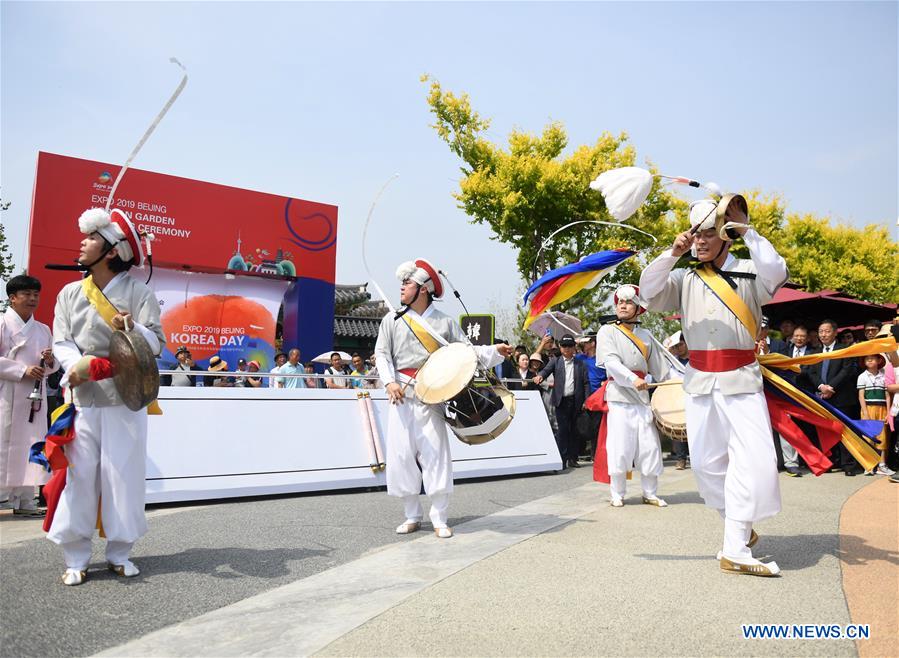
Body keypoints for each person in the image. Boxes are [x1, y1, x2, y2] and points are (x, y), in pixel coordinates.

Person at [639, 197, 788, 577]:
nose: (700, 241)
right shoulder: (685, 277)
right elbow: (647, 291)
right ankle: (738, 527)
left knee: (753, 461)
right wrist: (672, 253)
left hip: (741, 380)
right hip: (700, 383)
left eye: (708, 233)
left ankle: (735, 546)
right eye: (696, 234)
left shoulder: (752, 272)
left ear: (725, 236)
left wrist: (747, 229)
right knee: (707, 467)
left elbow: (777, 270)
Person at [49, 207, 165, 585]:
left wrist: (132, 327)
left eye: (91, 238)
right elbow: (61, 341)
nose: (82, 243)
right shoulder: (69, 293)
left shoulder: (138, 292)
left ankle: (120, 552)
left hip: (125, 398)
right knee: (80, 476)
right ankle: (76, 555)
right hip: (82, 395)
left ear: (112, 250)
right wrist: (78, 365)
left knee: (123, 476)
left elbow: (157, 343)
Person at [374, 258, 510, 539]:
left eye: (407, 283)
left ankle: (439, 516)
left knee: (435, 455)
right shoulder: (391, 319)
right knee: (401, 455)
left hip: (432, 397)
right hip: (401, 395)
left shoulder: (444, 322)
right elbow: (382, 354)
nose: (401, 287)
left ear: (423, 288)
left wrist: (495, 351)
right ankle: (411, 514)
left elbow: (467, 353)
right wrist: (389, 382)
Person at [596, 285, 670, 507]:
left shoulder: (646, 335)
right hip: (620, 395)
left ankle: (650, 492)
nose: (623, 305)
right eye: (620, 302)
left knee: (649, 445)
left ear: (638, 308)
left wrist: (677, 383)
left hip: (643, 397)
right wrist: (631, 379)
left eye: (628, 302)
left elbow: (661, 369)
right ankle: (617, 493)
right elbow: (610, 362)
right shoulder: (607, 331)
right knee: (621, 445)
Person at [0, 275, 58, 516]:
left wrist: (49, 360)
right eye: (27, 294)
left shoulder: (43, 329)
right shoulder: (2, 324)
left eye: (36, 294)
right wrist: (22, 370)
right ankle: (3, 496)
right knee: (4, 441)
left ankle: (26, 499)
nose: (33, 298)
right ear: (12, 298)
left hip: (35, 396)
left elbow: (53, 366)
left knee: (32, 443)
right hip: (7, 391)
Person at [805, 319, 861, 475]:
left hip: (841, 396)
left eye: (827, 331)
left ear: (835, 332)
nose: (823, 334)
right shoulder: (814, 351)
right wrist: (821, 387)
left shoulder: (844, 349)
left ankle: (849, 465)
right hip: (822, 397)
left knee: (846, 431)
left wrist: (831, 387)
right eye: (821, 331)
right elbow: (811, 372)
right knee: (826, 432)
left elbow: (846, 370)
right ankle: (831, 462)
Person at [533, 334, 591, 469]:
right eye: (564, 346)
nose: (567, 349)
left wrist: (586, 400)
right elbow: (546, 371)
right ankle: (562, 459)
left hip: (576, 401)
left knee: (574, 431)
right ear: (560, 347)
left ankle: (573, 458)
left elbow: (586, 383)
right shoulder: (555, 361)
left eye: (569, 346)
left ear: (574, 347)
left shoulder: (580, 364)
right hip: (561, 401)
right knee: (562, 430)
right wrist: (540, 376)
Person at [857, 354, 894, 476]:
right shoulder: (862, 376)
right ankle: (868, 465)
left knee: (882, 437)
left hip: (882, 409)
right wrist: (865, 413)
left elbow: (887, 395)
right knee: (868, 437)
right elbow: (861, 396)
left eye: (873, 358)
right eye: (867, 359)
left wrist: (888, 412)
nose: (870, 360)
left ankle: (882, 465)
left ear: (879, 360)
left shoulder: (884, 375)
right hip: (868, 408)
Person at [575, 332, 606, 461]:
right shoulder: (580, 358)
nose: (584, 344)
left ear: (593, 343)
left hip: (599, 396)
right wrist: (576, 342)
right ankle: (581, 451)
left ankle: (596, 454)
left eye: (587, 342)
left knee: (598, 426)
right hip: (584, 397)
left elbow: (609, 375)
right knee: (584, 426)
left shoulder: (602, 359)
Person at [663, 330, 690, 470]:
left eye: (680, 345)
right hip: (677, 397)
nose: (678, 348)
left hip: (694, 397)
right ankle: (681, 459)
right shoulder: (672, 363)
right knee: (677, 427)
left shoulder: (696, 360)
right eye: (676, 346)